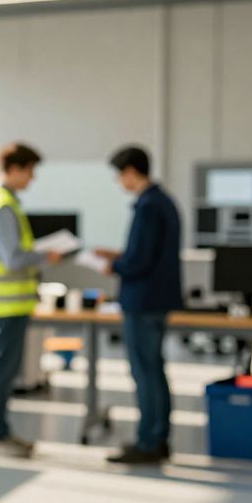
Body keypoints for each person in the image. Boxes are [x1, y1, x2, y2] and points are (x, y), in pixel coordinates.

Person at [0, 143, 63, 459]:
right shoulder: (3, 205)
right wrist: (45, 256)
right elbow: (12, 259)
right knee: (1, 371)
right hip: (7, 304)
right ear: (14, 169)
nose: (32, 178)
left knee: (1, 370)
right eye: (30, 171)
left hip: (2, 303)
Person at [94, 146, 183, 464]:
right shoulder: (164, 202)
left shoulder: (147, 206)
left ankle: (148, 442)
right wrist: (119, 256)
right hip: (157, 299)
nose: (120, 182)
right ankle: (157, 439)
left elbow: (141, 261)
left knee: (145, 372)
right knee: (154, 370)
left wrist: (114, 266)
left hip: (143, 301)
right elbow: (150, 254)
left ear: (131, 171)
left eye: (120, 175)